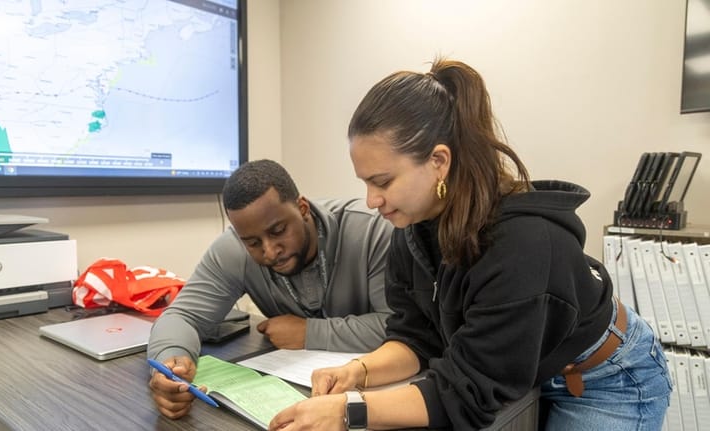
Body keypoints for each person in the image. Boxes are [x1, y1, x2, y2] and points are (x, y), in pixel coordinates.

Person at [269, 59, 672, 431]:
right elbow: (418, 339)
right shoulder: (413, 231)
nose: (371, 200)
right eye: (365, 183)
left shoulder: (523, 245)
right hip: (523, 372)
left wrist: (348, 411)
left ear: (439, 162)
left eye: (383, 181)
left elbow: (467, 394)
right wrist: (360, 370)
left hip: (602, 377)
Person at [148, 159, 394, 419]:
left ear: (302, 208)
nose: (269, 251)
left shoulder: (371, 231)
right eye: (253, 242)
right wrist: (170, 364)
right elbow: (182, 316)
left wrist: (309, 332)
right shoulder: (234, 249)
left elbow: (401, 327)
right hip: (296, 396)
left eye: (278, 231)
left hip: (378, 394)